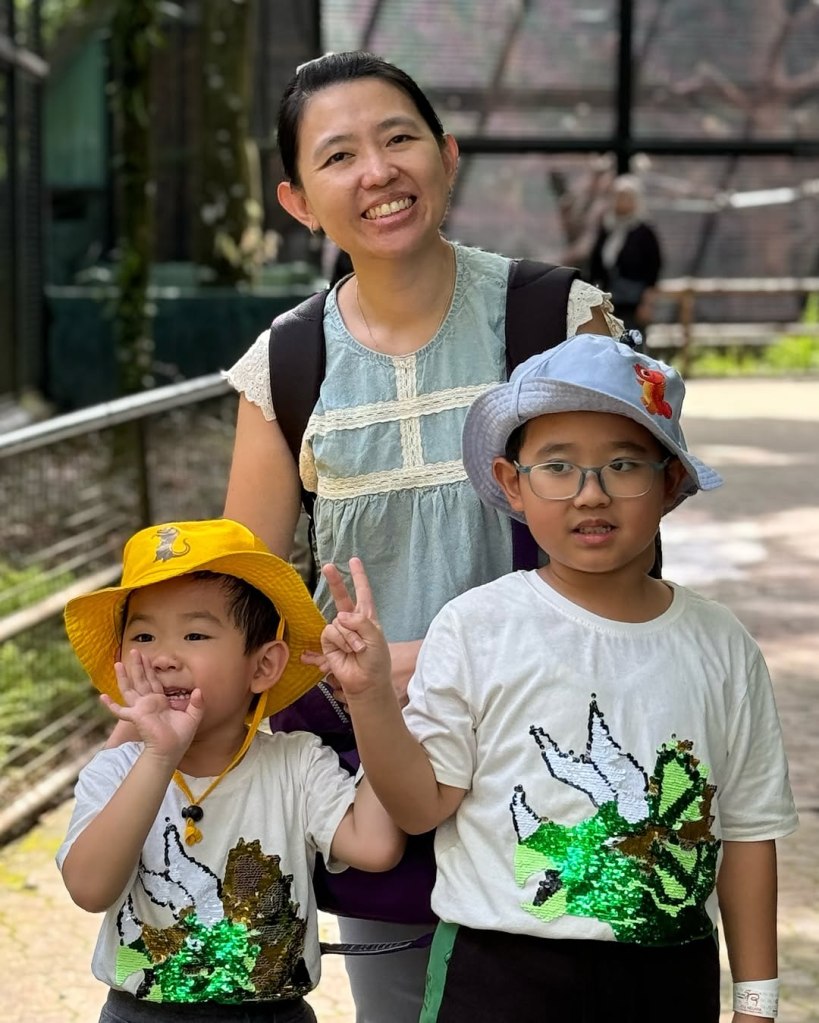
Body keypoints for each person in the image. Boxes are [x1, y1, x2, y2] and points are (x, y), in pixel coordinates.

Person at [222, 50, 623, 1022]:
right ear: (297, 201)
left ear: (445, 157)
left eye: (398, 138)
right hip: (378, 773)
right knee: (403, 1005)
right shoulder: (287, 364)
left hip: (562, 758)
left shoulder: (557, 319)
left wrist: (438, 662)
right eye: (338, 155)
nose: (377, 171)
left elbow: (628, 554)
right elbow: (239, 610)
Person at [311, 334, 798, 1023]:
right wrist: (368, 698)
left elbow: (748, 834)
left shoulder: (721, 645)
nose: (590, 494)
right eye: (557, 466)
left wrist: (755, 1001)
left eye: (622, 465)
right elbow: (420, 808)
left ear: (668, 482)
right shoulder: (475, 626)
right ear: (512, 482)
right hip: (496, 977)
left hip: (671, 974)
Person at [56, 517, 404, 1023]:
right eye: (144, 635)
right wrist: (159, 756)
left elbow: (375, 847)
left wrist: (371, 700)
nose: (163, 657)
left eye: (194, 634)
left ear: (262, 666)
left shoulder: (296, 763)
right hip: (142, 1013)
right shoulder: (117, 770)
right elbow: (89, 890)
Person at [589, 174, 663, 341]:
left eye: (626, 197)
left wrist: (647, 303)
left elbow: (654, 269)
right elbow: (596, 265)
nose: (621, 201)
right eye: (618, 197)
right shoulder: (607, 228)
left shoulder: (644, 232)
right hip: (609, 301)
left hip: (633, 302)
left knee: (631, 344)